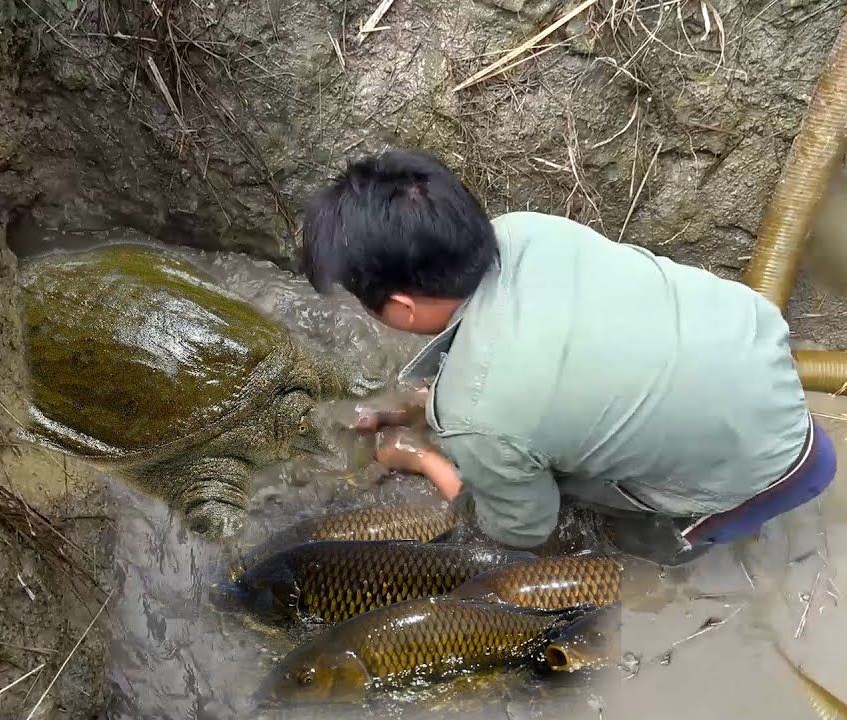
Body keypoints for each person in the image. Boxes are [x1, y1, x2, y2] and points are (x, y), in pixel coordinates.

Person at [300, 147, 838, 565]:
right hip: (759, 360)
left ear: (401, 306)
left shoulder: (479, 417)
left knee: (641, 552)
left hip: (775, 473)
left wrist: (422, 457)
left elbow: (522, 531)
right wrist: (433, 407)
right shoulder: (526, 231)